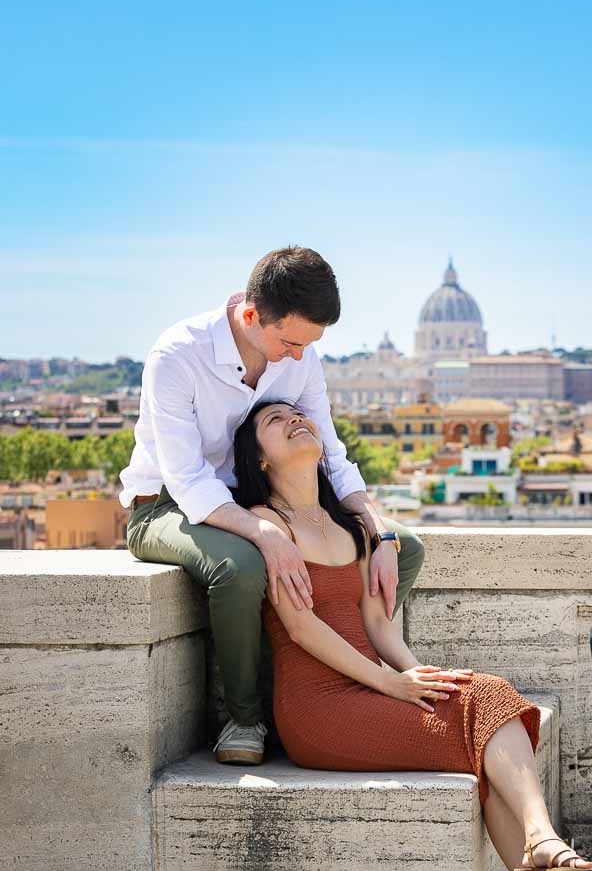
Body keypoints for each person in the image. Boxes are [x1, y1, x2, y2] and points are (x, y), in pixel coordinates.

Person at [230, 398, 592, 871]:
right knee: (486, 706)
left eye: (300, 413)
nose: (296, 420)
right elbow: (301, 627)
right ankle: (546, 862)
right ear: (260, 458)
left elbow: (375, 624)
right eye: (276, 422)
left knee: (483, 697)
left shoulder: (352, 525)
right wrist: (394, 686)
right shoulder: (268, 525)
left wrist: (418, 673)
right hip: (319, 711)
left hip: (371, 689)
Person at [121, 246, 424, 764]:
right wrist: (265, 534)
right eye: (289, 342)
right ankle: (244, 717)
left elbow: (330, 453)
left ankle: (339, 671)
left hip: (254, 499)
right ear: (249, 315)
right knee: (239, 566)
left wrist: (381, 533)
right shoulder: (176, 355)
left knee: (408, 547)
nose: (299, 357)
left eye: (311, 344)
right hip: (166, 506)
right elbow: (189, 480)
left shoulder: (300, 356)